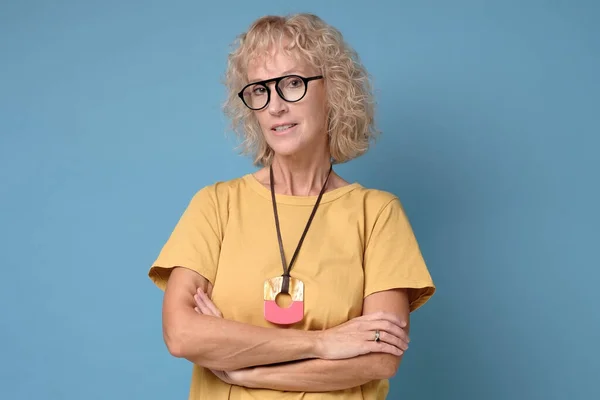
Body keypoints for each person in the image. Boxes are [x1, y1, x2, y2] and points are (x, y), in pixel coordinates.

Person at [148, 12, 435, 400]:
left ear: (333, 90)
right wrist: (324, 344)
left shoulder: (376, 214)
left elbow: (380, 359)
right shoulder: (215, 205)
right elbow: (181, 335)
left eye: (293, 84)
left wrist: (244, 370)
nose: (275, 106)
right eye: (260, 90)